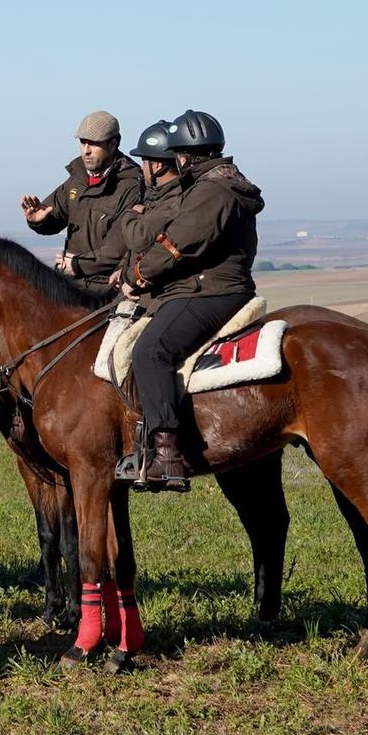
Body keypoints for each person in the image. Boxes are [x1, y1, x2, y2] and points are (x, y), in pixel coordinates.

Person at [114, 110, 265, 491]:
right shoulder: (215, 184)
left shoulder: (211, 192)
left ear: (185, 156)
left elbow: (176, 246)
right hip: (212, 286)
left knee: (150, 351)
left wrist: (138, 274)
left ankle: (167, 456)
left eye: (177, 155)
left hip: (210, 291)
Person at [18, 110, 141, 299]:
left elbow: (118, 250)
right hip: (70, 282)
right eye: (83, 142)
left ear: (114, 143)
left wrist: (77, 265)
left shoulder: (130, 185)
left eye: (93, 143)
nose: (86, 150)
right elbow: (53, 216)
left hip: (106, 288)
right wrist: (37, 220)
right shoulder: (78, 179)